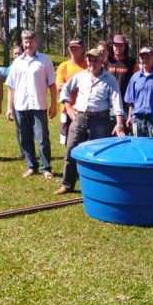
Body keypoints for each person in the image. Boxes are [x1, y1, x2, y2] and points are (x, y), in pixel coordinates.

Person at [54, 48, 126, 195]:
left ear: (101, 62)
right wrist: (68, 108)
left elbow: (117, 102)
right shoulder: (80, 76)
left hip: (99, 121)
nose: (92, 63)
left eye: (95, 60)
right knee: (70, 151)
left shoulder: (110, 80)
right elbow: (65, 90)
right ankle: (67, 184)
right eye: (90, 60)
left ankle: (95, 186)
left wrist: (119, 123)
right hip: (79, 118)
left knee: (96, 154)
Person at [6, 30, 58, 179]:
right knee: (25, 138)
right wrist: (9, 107)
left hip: (39, 105)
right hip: (21, 106)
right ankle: (31, 166)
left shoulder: (45, 60)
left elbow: (52, 85)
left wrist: (54, 105)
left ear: (36, 42)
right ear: (23, 43)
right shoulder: (17, 62)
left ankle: (46, 167)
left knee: (42, 138)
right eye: (26, 41)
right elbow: (11, 86)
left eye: (31, 41)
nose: (28, 44)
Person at [124, 46, 153, 138]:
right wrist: (129, 116)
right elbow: (130, 100)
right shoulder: (135, 77)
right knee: (139, 148)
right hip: (137, 119)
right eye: (142, 57)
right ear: (139, 59)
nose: (145, 59)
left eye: (148, 57)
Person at [55, 37, 88, 144]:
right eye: (71, 48)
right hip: (67, 110)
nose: (73, 50)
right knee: (68, 141)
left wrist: (68, 87)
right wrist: (76, 88)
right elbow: (59, 87)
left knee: (84, 139)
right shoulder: (63, 66)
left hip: (85, 109)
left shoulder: (88, 66)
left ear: (82, 49)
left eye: (76, 48)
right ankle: (68, 160)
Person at [7, 45, 25, 159]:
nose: (17, 55)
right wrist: (9, 106)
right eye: (15, 54)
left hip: (27, 101)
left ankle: (28, 149)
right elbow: (10, 87)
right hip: (15, 101)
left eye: (19, 53)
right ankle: (22, 151)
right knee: (19, 128)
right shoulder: (10, 68)